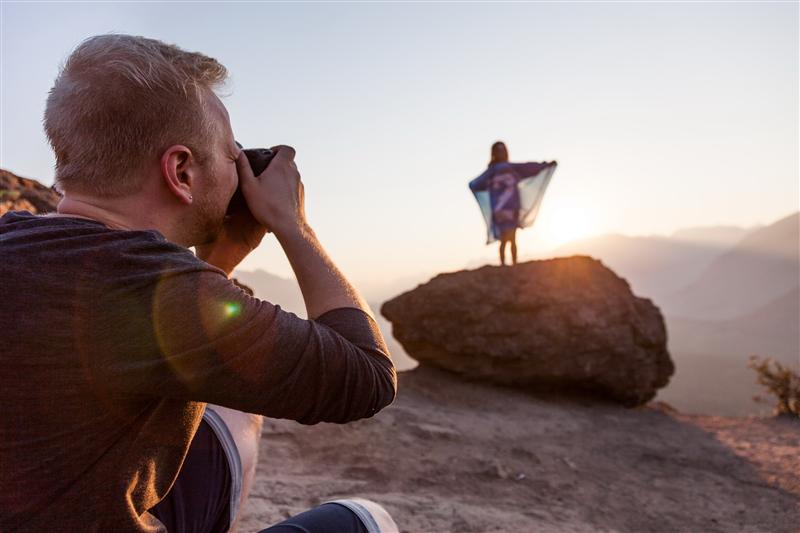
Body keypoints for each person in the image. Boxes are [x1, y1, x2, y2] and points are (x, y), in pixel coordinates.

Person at [0, 34, 398, 533]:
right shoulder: (150, 286)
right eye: (232, 158)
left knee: (228, 408)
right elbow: (367, 378)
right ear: (181, 170)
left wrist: (217, 267)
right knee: (366, 521)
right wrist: (294, 225)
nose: (239, 175)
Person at [468, 141, 556, 266]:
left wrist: (544, 165)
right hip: (506, 209)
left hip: (507, 208)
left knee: (508, 239)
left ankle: (508, 266)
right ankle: (509, 265)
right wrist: (545, 165)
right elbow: (529, 167)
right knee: (509, 239)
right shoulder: (503, 170)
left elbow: (475, 184)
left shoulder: (495, 172)